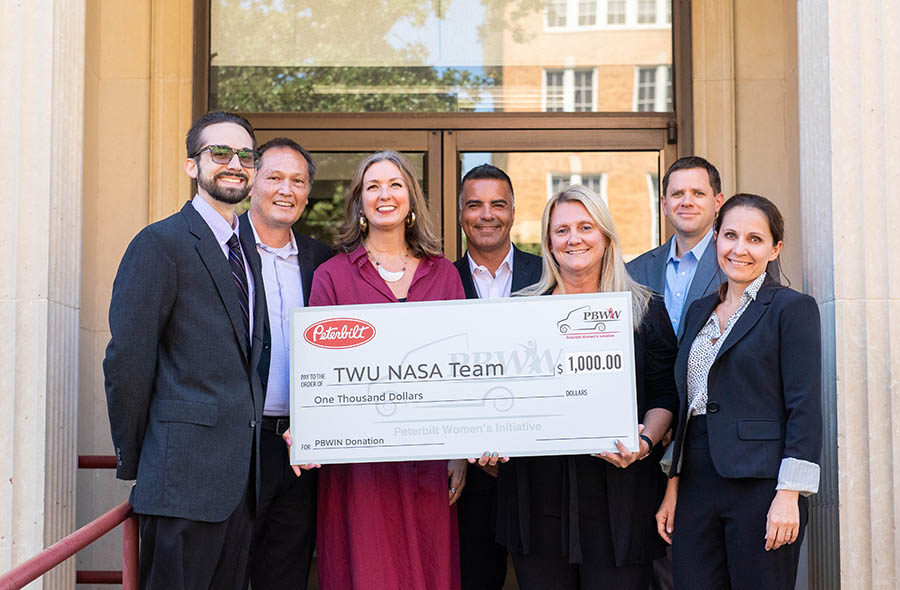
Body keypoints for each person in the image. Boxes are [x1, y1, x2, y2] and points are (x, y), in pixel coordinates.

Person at [285, 151, 467, 590]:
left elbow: (464, 370)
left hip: (428, 460)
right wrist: (306, 427)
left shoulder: (445, 275)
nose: (384, 195)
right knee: (365, 570)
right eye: (373, 187)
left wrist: (460, 451)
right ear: (359, 203)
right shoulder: (331, 276)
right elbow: (317, 371)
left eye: (395, 185)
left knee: (428, 568)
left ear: (411, 199)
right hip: (357, 467)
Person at [103, 111, 266, 589]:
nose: (235, 163)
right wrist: (144, 461)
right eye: (219, 152)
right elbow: (127, 363)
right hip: (179, 486)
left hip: (239, 488)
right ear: (192, 166)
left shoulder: (246, 250)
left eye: (245, 155)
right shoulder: (160, 244)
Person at [495, 185, 678, 589]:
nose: (573, 239)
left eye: (585, 227)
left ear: (606, 236)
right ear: (548, 242)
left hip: (619, 496)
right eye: (561, 231)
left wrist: (644, 443)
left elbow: (666, 394)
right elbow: (503, 396)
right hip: (538, 496)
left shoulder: (645, 308)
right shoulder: (521, 312)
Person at [656, 194, 821, 590]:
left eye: (754, 239)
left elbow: (805, 407)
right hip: (696, 482)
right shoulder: (698, 311)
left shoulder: (791, 309)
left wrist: (789, 494)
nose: (739, 249)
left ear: (774, 248)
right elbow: (686, 404)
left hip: (761, 484)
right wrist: (673, 484)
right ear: (715, 238)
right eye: (730, 235)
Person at [239, 138, 333, 590]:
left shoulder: (323, 262)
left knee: (286, 574)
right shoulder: (221, 248)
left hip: (300, 451)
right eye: (274, 177)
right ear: (252, 181)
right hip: (236, 449)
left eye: (297, 181)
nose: (286, 189)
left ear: (308, 194)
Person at [453, 164, 542, 590]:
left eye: (497, 204)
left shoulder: (550, 276)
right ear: (460, 213)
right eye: (475, 204)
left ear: (513, 211)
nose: (486, 214)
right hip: (467, 477)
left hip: (541, 475)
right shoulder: (438, 281)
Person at [626, 156, 725, 339]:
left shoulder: (736, 265)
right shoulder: (634, 271)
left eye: (698, 193)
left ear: (718, 202)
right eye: (677, 194)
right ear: (664, 204)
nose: (686, 201)